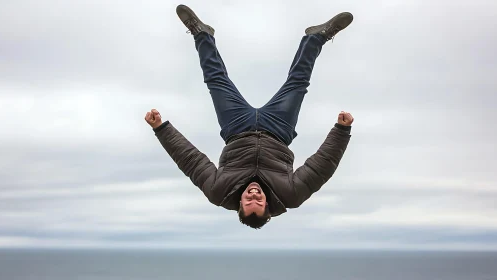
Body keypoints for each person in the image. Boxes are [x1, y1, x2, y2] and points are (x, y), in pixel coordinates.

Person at [145, 4, 354, 229]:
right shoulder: (291, 195)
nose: (253, 194)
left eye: (248, 200)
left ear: (239, 205)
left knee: (216, 80)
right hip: (279, 129)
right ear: (268, 206)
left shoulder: (218, 192)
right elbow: (322, 167)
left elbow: (191, 161)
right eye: (258, 200)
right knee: (298, 81)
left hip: (236, 128)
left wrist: (161, 128)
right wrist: (341, 132)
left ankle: (201, 34)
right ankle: (316, 38)